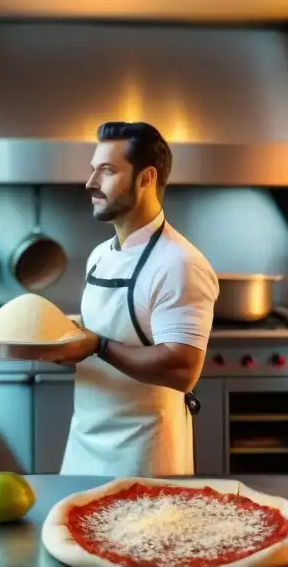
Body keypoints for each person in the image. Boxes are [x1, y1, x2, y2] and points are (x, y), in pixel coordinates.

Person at [55, 121, 219, 477]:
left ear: (146, 178)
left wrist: (96, 346)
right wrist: (57, 343)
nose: (90, 183)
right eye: (92, 170)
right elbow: (102, 337)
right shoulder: (100, 255)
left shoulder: (179, 263)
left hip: (146, 455)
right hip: (84, 442)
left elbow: (182, 369)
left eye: (107, 171)